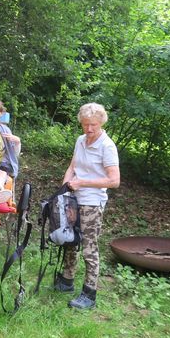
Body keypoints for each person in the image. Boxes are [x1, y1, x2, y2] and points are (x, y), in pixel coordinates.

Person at [54, 103, 119, 310]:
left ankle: (89, 294)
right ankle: (66, 281)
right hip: (73, 199)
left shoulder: (107, 146)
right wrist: (65, 188)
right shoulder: (81, 140)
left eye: (93, 125)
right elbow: (73, 166)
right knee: (70, 240)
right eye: (85, 125)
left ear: (101, 123)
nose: (89, 129)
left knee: (89, 249)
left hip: (92, 202)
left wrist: (82, 183)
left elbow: (114, 181)